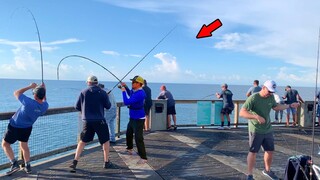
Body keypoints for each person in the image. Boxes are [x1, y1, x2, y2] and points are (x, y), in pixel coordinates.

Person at [239, 80, 300, 180]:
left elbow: (276, 107)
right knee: (253, 152)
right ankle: (249, 175)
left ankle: (267, 170)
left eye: (272, 92)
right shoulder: (253, 98)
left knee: (270, 151)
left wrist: (289, 105)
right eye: (269, 91)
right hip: (256, 129)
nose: (270, 93)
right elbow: (242, 113)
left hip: (268, 129)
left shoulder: (271, 97)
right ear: (263, 87)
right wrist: (256, 117)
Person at [2, 83, 48, 175]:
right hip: (27, 128)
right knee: (24, 146)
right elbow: (44, 100)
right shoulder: (44, 106)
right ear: (43, 96)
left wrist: (30, 86)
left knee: (5, 144)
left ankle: (14, 163)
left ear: (34, 95)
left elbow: (16, 92)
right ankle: (27, 165)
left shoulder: (28, 102)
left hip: (15, 126)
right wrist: (43, 90)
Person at [69, 75, 111, 172]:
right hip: (100, 121)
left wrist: (84, 111)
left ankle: (74, 162)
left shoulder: (83, 92)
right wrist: (106, 97)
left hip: (87, 121)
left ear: (88, 83)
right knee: (105, 141)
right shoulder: (103, 93)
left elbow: (77, 106)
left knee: (83, 141)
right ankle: (106, 162)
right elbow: (108, 106)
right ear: (96, 83)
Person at [120, 75, 148, 164]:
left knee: (138, 138)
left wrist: (123, 92)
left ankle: (143, 157)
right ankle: (129, 148)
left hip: (139, 118)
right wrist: (126, 87)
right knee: (128, 133)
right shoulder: (135, 91)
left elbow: (126, 102)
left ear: (139, 84)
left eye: (134, 82)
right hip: (132, 116)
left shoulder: (140, 94)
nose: (132, 83)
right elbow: (130, 93)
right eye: (132, 82)